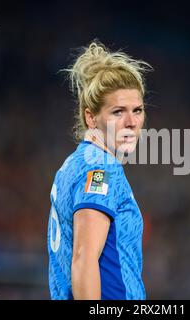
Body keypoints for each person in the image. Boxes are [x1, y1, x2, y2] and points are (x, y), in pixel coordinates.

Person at [47, 40, 152, 300]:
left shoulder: (74, 164)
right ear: (91, 118)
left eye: (137, 110)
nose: (131, 122)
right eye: (118, 112)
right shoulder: (100, 169)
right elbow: (83, 259)